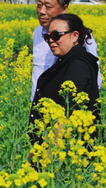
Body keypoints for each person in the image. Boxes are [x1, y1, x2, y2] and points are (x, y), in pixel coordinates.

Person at [29, 14, 100, 146]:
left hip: (64, 155)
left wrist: (48, 157)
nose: (50, 40)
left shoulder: (78, 65)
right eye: (47, 36)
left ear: (74, 36)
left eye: (56, 35)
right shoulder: (64, 61)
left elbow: (69, 112)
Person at [31, 0, 101, 100]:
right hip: (39, 109)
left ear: (64, 8)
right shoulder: (38, 32)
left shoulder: (79, 35)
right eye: (39, 5)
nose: (42, 11)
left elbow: (93, 78)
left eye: (48, 6)